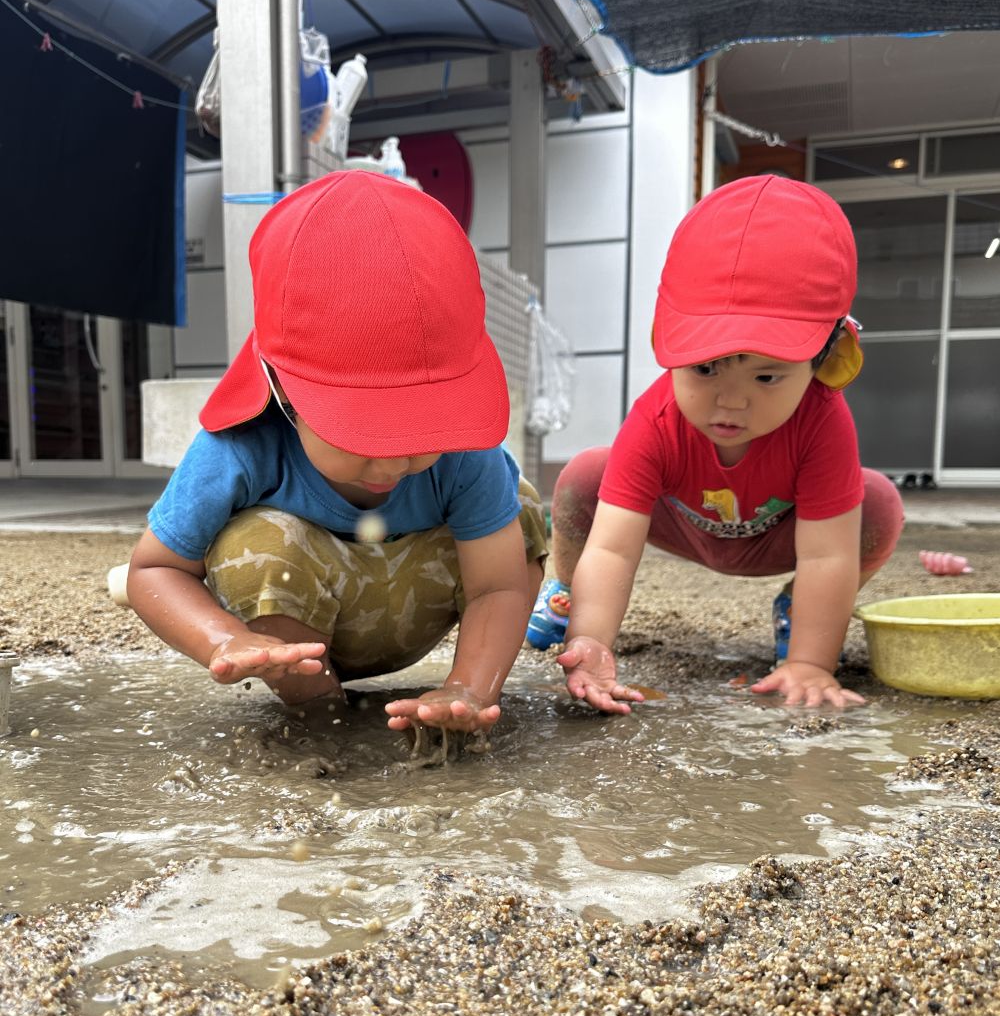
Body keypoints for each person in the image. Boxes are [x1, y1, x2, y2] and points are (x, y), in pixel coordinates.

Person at [126, 171, 547, 739]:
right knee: (254, 546)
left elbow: (497, 586)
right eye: (361, 433)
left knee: (516, 507)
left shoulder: (466, 451)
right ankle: (319, 709)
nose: (393, 465)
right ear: (282, 390)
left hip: (420, 604)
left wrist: (471, 687)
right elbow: (153, 570)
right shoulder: (239, 446)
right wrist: (224, 639)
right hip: (299, 640)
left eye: (422, 431)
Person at [525, 175, 903, 711]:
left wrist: (810, 662)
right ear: (667, 339)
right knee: (584, 476)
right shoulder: (657, 417)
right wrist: (592, 640)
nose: (731, 402)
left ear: (827, 357)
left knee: (878, 505)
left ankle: (803, 613)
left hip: (781, 536)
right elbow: (611, 546)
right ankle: (568, 599)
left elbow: (826, 554)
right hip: (680, 522)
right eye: (705, 368)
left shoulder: (822, 418)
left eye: (766, 377)